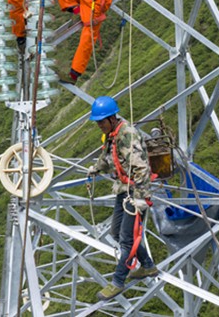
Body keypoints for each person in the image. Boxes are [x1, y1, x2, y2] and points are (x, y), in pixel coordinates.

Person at [87, 95, 158, 301]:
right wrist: (96, 169)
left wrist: (140, 198)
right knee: (117, 232)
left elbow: (141, 168)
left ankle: (118, 281)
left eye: (101, 121)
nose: (99, 125)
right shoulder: (113, 135)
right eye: (98, 122)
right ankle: (147, 265)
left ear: (112, 118)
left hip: (135, 191)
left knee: (127, 239)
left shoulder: (127, 135)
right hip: (124, 189)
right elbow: (108, 157)